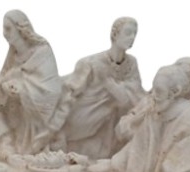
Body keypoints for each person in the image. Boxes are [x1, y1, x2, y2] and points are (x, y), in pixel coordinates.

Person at [57, 17, 144, 159]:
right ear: (115, 34)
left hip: (115, 116)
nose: (132, 37)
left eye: (135, 33)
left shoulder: (131, 63)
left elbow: (136, 95)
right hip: (90, 112)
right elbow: (71, 89)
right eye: (128, 32)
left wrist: (112, 85)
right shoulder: (92, 63)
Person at [0, 9, 62, 154]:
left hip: (36, 113)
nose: (4, 33)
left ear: (20, 29)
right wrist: (4, 86)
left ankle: (33, 147)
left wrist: (21, 88)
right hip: (17, 113)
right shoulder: (13, 53)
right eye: (3, 29)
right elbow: (2, 76)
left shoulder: (42, 51)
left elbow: (51, 89)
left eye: (8, 29)